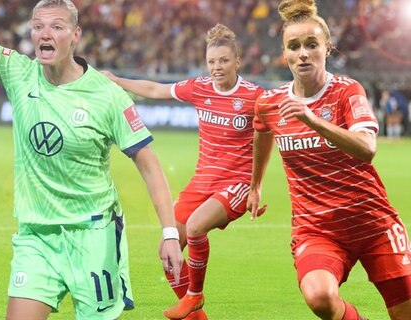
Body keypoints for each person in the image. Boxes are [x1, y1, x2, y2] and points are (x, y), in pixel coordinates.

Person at [0, 0, 183, 319]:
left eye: (56, 27)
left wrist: (170, 233)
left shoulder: (107, 95)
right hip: (36, 237)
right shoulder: (17, 72)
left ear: (76, 35)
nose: (45, 34)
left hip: (93, 236)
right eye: (38, 26)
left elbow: (149, 164)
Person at [247, 0, 411, 319]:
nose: (303, 53)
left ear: (327, 48)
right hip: (317, 228)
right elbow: (261, 133)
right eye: (294, 47)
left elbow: (367, 147)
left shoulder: (346, 91)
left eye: (311, 44)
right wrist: (255, 185)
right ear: (285, 54)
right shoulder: (269, 103)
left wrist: (314, 121)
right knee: (320, 297)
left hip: (372, 221)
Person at [103, 23, 265, 320]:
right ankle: (195, 316)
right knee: (168, 252)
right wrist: (116, 80)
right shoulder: (199, 87)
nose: (217, 67)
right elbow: (155, 89)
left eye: (224, 61)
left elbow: (274, 134)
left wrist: (256, 187)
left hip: (236, 184)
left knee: (194, 227)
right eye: (212, 61)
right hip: (202, 182)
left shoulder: (255, 97)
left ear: (238, 62)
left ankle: (195, 295)